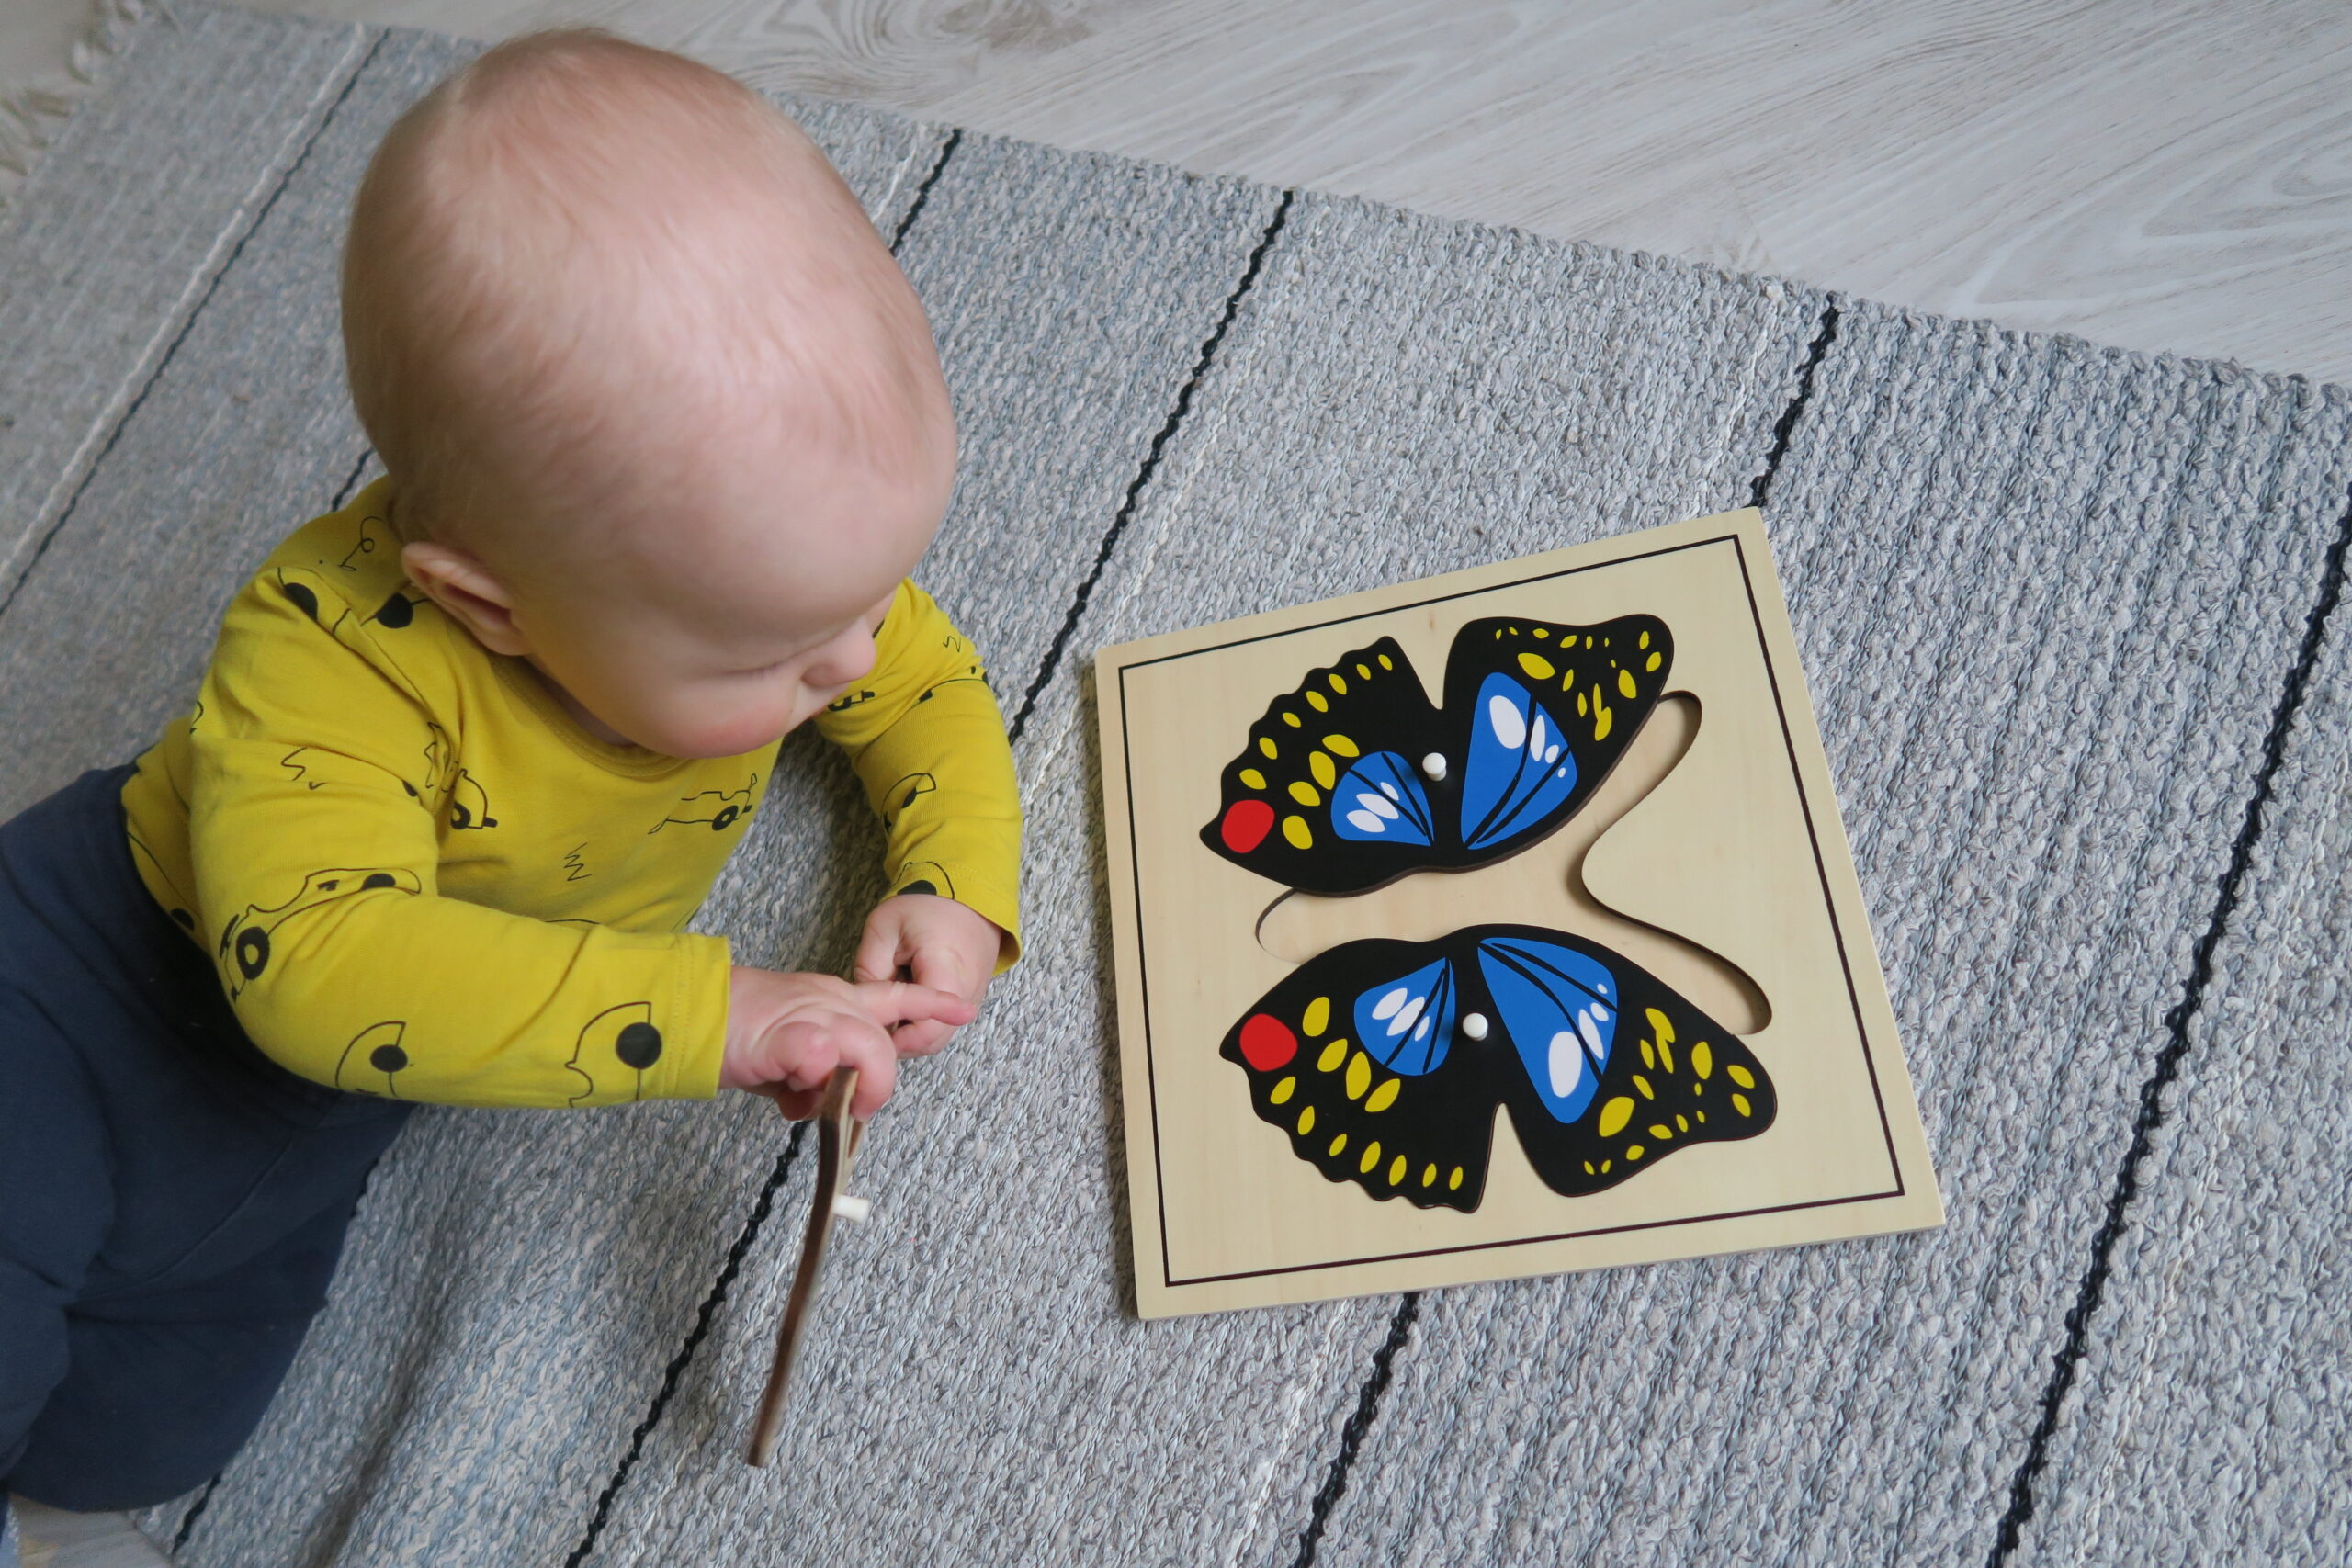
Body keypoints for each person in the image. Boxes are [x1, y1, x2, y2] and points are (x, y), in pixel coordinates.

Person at [0, 29, 1019, 1550]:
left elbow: (930, 692)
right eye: (776, 646)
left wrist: (955, 880)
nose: (853, 657)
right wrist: (715, 1012)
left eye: (869, 594)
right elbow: (321, 966)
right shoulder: (331, 650)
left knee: (137, 1445)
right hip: (83, 1008)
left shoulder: (787, 600)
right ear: (488, 604)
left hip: (321, 1129)